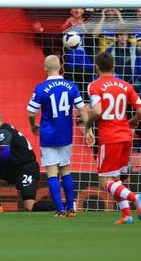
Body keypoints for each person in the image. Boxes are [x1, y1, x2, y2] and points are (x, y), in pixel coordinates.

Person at [85, 51, 141, 224]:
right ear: (113, 66)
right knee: (116, 178)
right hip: (126, 136)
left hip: (109, 137)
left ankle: (136, 198)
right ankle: (127, 215)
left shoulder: (95, 86)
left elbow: (97, 111)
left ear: (97, 67)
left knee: (105, 180)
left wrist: (88, 126)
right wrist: (133, 122)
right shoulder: (125, 85)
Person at [27, 55, 89, 217]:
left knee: (52, 173)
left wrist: (33, 124)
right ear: (60, 66)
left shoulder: (41, 88)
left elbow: (31, 111)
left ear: (45, 68)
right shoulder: (71, 86)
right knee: (66, 171)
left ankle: (60, 210)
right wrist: (89, 130)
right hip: (65, 135)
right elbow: (82, 110)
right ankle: (71, 208)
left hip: (48, 136)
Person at [0, 110, 40, 212]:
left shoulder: (3, 132)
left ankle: (64, 206)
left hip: (27, 168)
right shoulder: (6, 129)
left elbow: (5, 155)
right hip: (16, 167)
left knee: (29, 207)